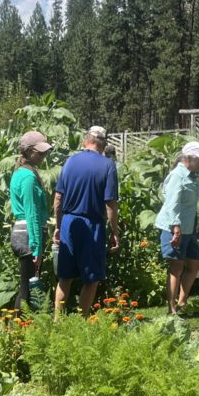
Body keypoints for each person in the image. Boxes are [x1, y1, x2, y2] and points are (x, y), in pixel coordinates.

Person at [54, 125, 119, 317]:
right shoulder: (107, 165)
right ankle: (81, 322)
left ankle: (57, 322)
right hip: (92, 226)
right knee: (91, 279)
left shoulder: (70, 162)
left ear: (86, 140)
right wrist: (114, 231)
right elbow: (110, 204)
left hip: (69, 223)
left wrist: (58, 226)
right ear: (104, 144)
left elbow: (58, 199)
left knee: (65, 277)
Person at [155, 140, 199, 315]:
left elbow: (190, 206)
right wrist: (176, 228)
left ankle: (182, 301)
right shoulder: (177, 176)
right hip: (173, 227)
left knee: (195, 263)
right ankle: (171, 309)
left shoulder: (192, 176)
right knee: (176, 267)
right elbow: (173, 204)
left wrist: (196, 226)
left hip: (188, 228)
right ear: (189, 158)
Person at [9, 131, 52, 311]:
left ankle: (21, 327)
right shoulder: (28, 177)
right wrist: (36, 247)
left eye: (45, 152)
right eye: (39, 152)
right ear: (28, 152)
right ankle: (19, 329)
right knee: (27, 287)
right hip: (28, 235)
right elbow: (31, 213)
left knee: (27, 285)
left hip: (22, 232)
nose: (43, 156)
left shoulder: (21, 172)